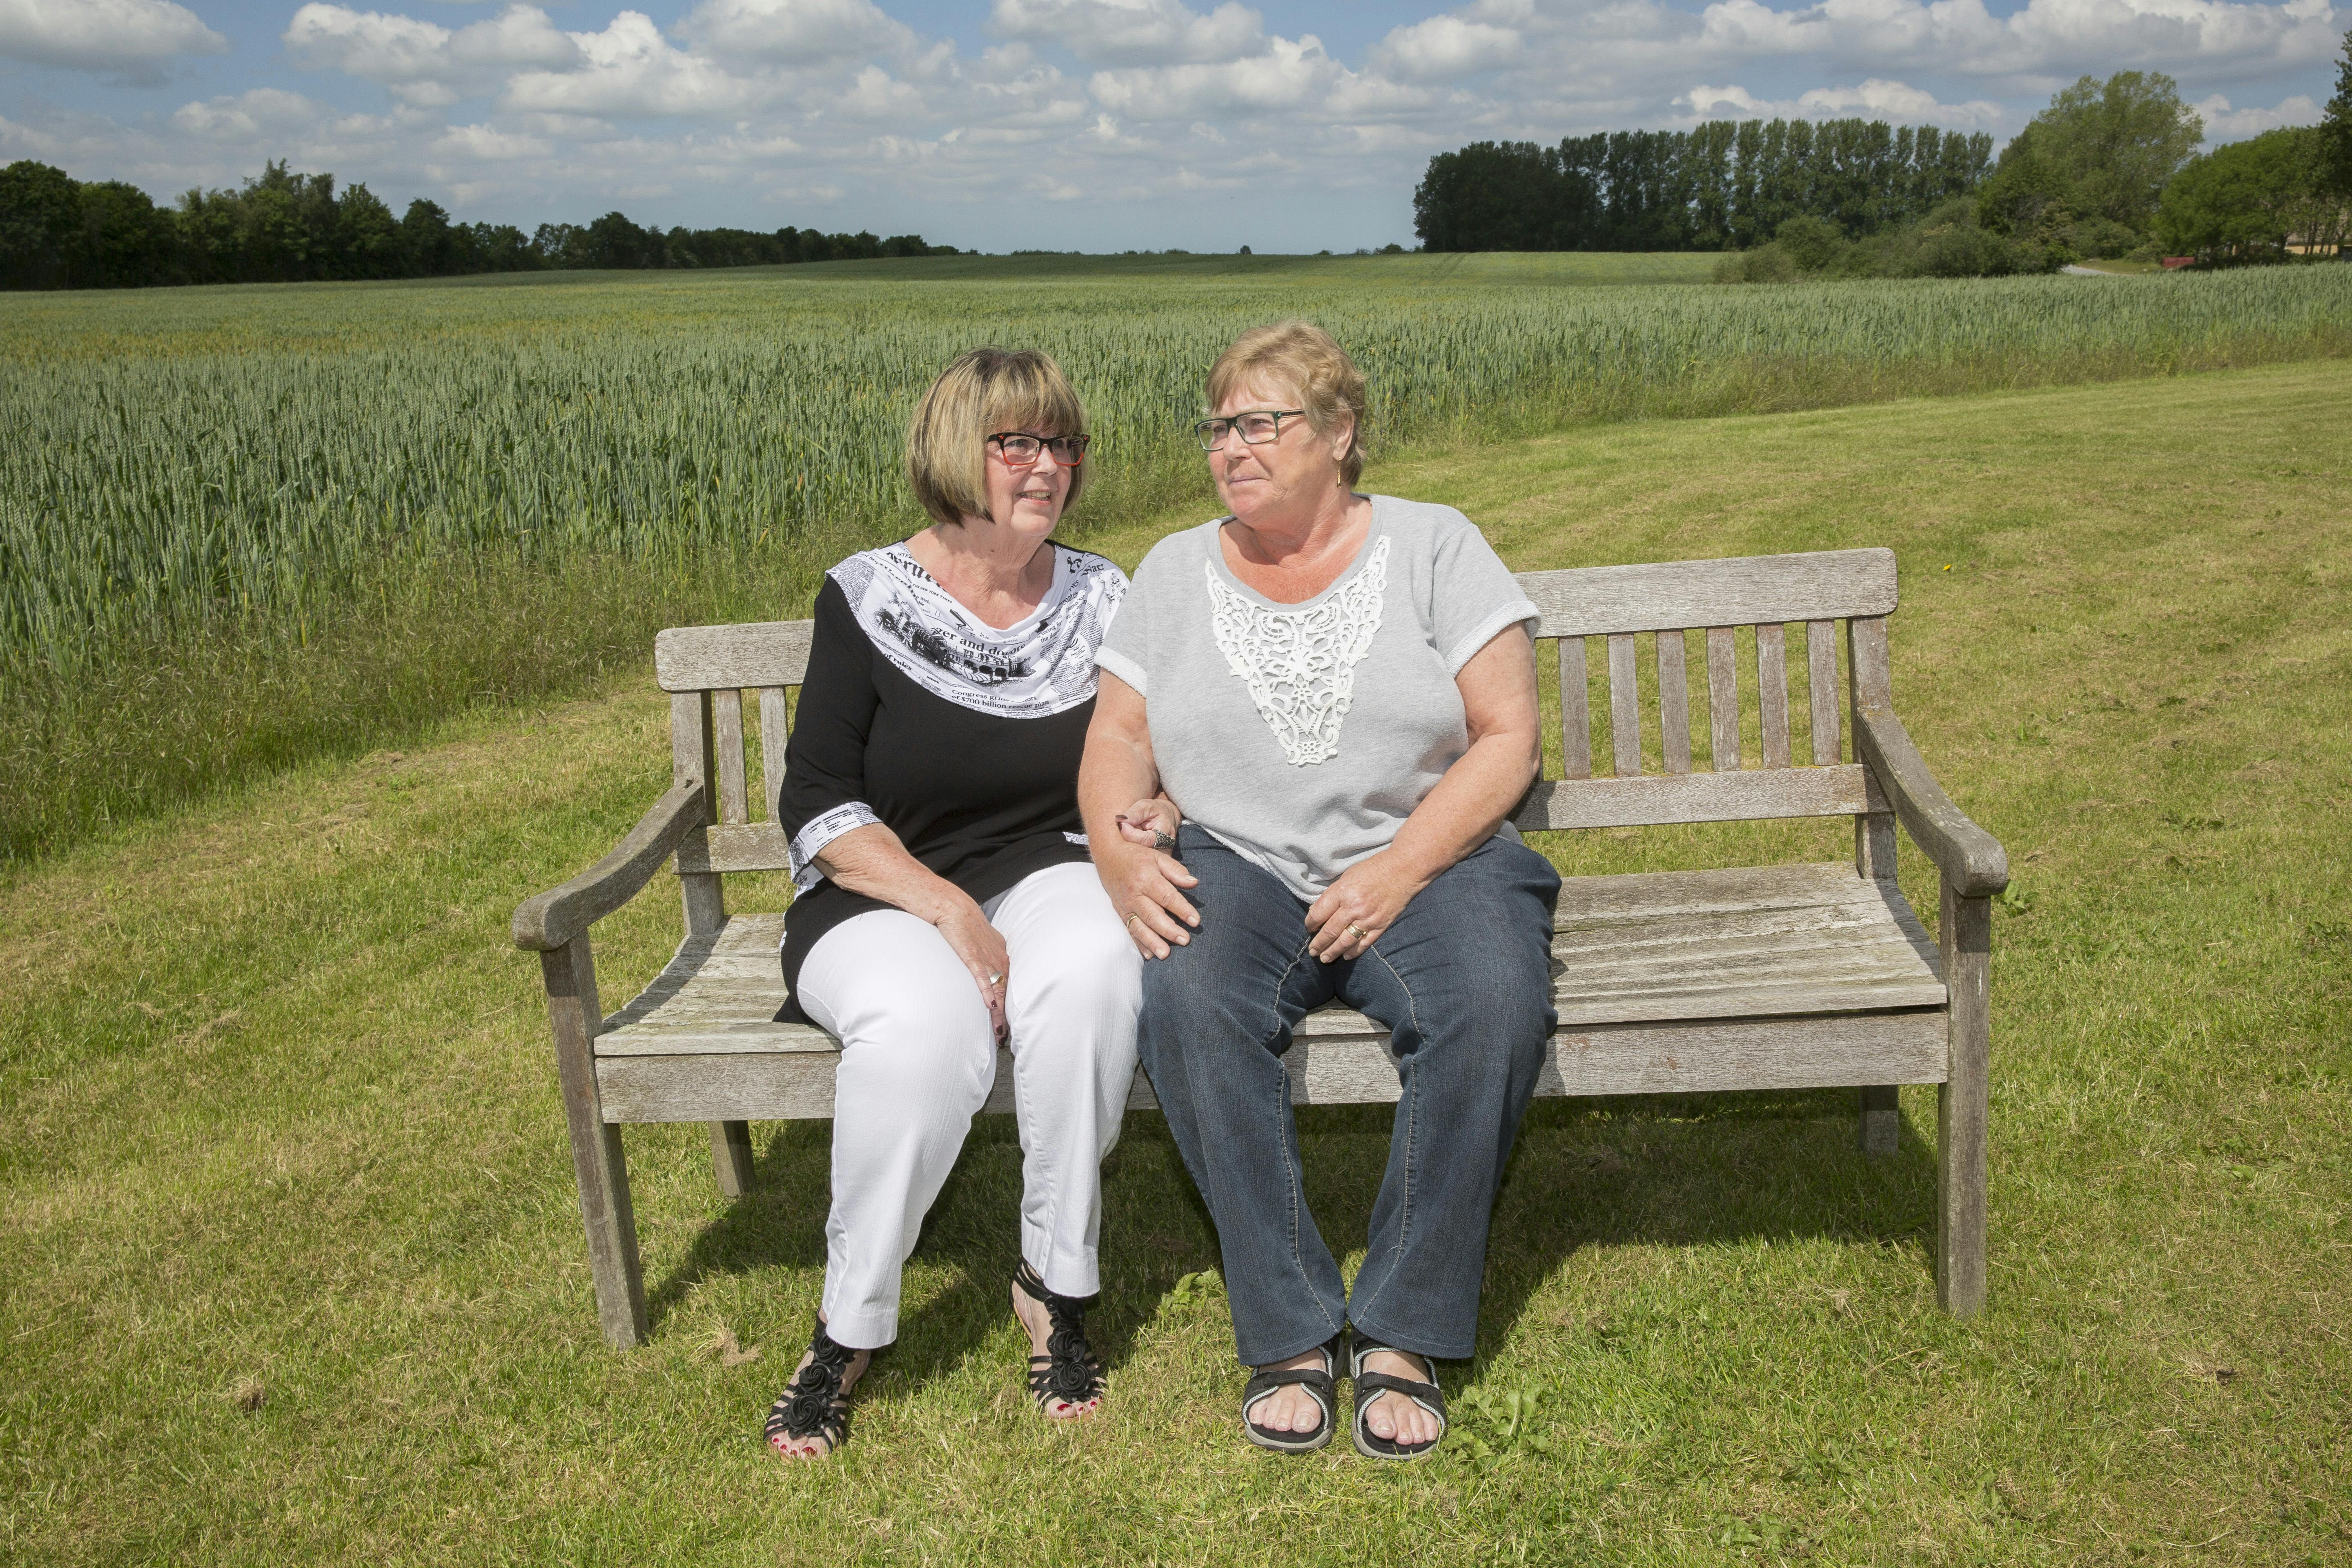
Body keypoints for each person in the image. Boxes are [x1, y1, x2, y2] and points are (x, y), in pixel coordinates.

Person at [1079, 321, 1559, 1459]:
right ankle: (1290, 1326)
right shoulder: (1172, 571)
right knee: (1188, 999)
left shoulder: (1436, 546)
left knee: (1491, 1002)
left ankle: (1403, 1326)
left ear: (1339, 435)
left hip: (1430, 852)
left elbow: (1506, 740)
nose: (1232, 448)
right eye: (1219, 427)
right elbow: (1117, 733)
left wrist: (1400, 870)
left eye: (1261, 422)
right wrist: (1117, 847)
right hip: (1240, 859)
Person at [764, 347, 1142, 1460]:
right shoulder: (868, 594)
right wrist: (949, 914)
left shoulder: (1102, 597)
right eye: (1015, 442)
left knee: (1094, 975)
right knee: (925, 1030)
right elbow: (817, 799)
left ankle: (1054, 1285)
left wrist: (1153, 812)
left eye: (1061, 443)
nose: (1046, 466)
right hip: (878, 889)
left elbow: (1138, 756)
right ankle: (848, 1328)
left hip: (1046, 868)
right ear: (955, 452)